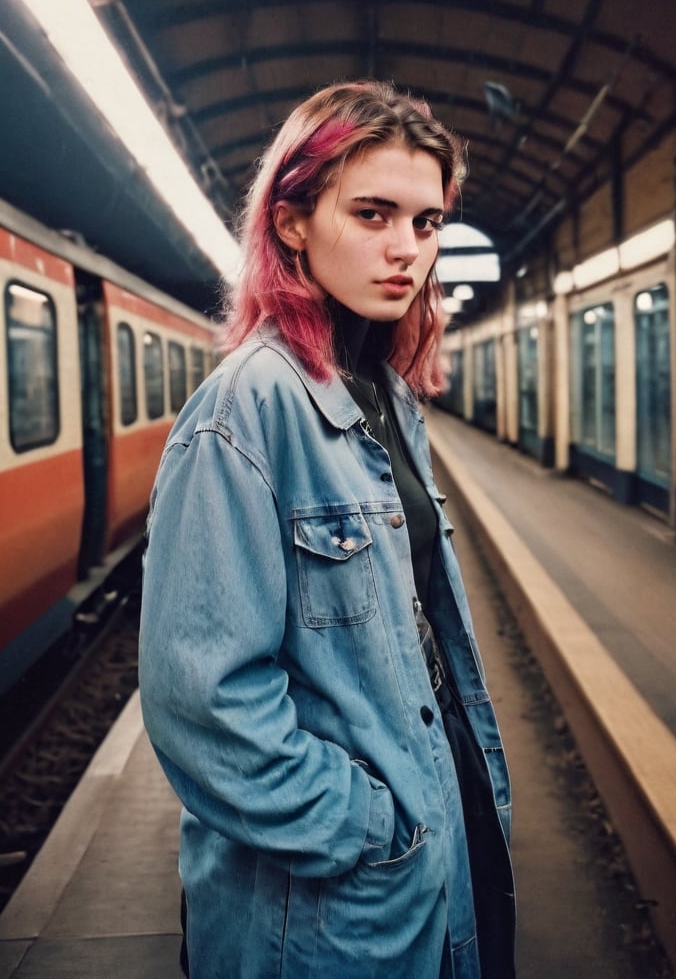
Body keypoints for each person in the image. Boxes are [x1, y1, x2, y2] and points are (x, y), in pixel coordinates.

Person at [139, 80, 516, 979]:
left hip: (434, 850)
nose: (406, 250)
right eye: (373, 213)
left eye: (427, 224)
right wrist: (366, 826)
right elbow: (203, 702)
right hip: (323, 911)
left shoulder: (385, 395)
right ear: (293, 220)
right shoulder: (244, 414)